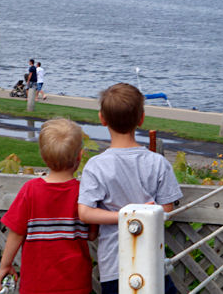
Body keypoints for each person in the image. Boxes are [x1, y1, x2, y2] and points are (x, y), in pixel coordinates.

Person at [78, 83, 183, 294]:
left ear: (102, 118)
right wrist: (134, 215)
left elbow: (85, 212)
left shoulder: (96, 165)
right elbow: (168, 210)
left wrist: (122, 215)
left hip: (115, 266)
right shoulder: (157, 162)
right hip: (152, 263)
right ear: (141, 118)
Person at [0, 118, 97, 293]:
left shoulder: (31, 190)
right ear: (79, 156)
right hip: (75, 284)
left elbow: (16, 233)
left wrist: (5, 265)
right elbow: (92, 234)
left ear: (43, 156)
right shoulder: (84, 192)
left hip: (36, 284)